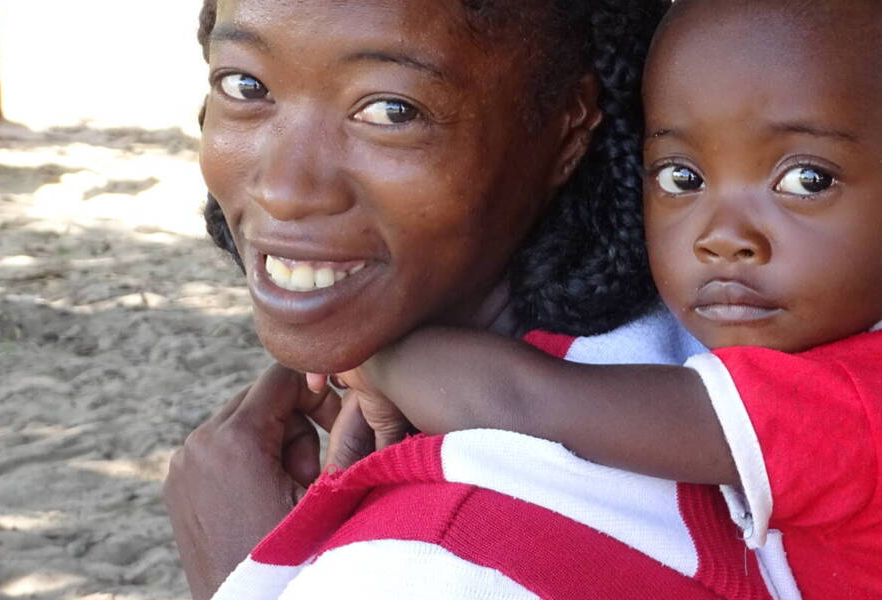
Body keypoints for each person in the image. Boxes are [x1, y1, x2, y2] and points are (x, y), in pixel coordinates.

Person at [329, 1, 882, 598]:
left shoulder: (851, 409)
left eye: (805, 180)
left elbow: (528, 400)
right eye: (681, 177)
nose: (722, 235)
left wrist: (377, 351)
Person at [167, 1, 777, 598]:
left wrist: (243, 572)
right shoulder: (712, 355)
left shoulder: (443, 560)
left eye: (391, 110)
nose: (285, 189)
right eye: (246, 86)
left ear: (568, 127)